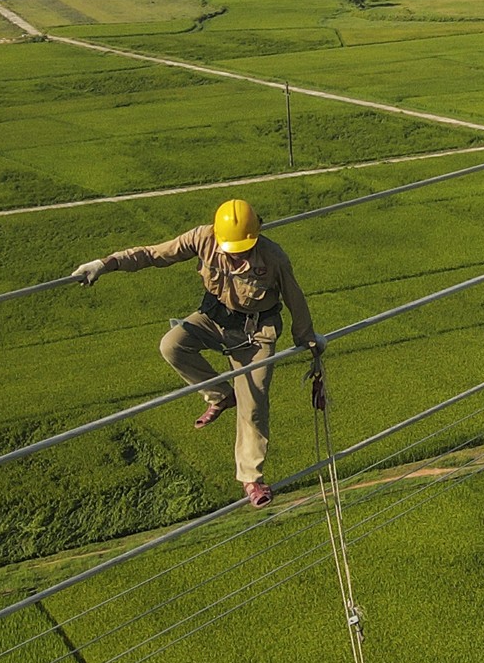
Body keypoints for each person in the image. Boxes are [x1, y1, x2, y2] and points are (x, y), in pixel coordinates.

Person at [72, 199, 323, 508]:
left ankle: (251, 479)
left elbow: (295, 298)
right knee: (172, 345)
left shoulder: (273, 257)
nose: (236, 255)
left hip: (255, 334)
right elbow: (154, 254)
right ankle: (220, 395)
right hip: (214, 319)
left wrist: (307, 339)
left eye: (243, 248)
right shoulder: (202, 238)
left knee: (254, 403)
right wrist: (105, 264)